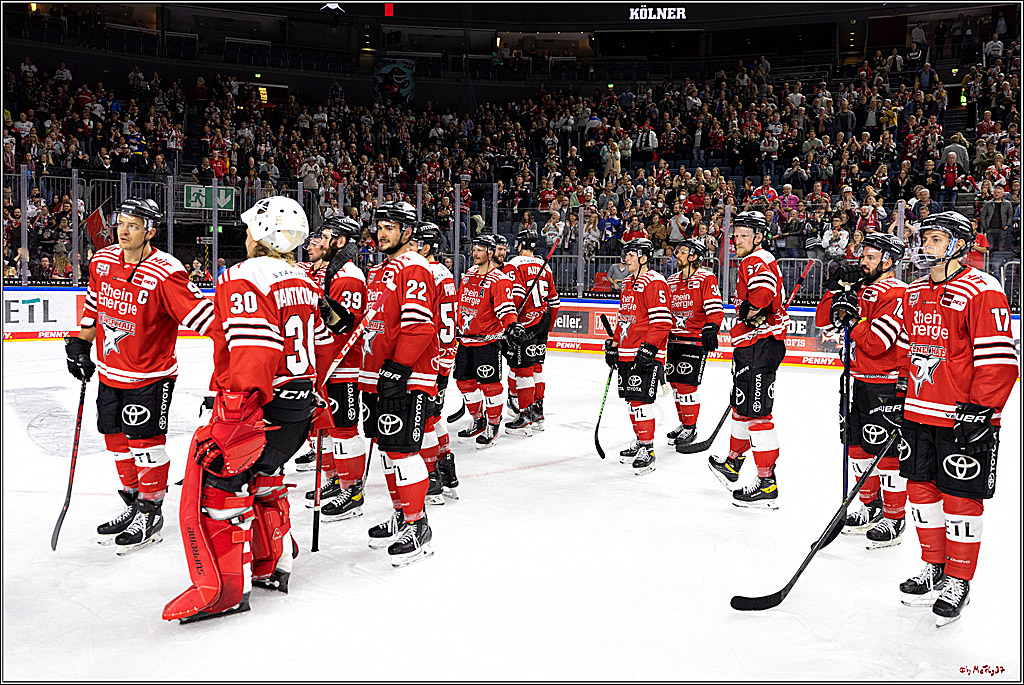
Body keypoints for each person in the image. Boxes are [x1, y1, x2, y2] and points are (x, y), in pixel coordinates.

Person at [163, 195, 329, 623]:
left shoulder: (244, 276)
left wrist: (238, 415)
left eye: (251, 227)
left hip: (259, 408)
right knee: (268, 482)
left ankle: (226, 590)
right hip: (297, 406)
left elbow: (256, 351)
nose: (247, 235)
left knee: (221, 493)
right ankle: (273, 563)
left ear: (263, 232)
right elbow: (321, 344)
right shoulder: (304, 279)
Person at [64, 198, 215, 555]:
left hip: (150, 375)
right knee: (116, 442)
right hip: (110, 373)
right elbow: (94, 305)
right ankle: (133, 503)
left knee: (145, 446)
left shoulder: (166, 272)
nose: (123, 230)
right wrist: (80, 344)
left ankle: (150, 512)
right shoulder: (102, 261)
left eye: (133, 225)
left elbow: (204, 319)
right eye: (121, 223)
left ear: (150, 231)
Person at [894, 211, 1016, 627]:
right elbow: (908, 349)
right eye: (923, 238)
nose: (924, 246)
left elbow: (999, 357)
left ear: (959, 244)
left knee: (961, 500)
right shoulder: (913, 292)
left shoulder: (983, 289)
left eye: (934, 239)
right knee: (920, 493)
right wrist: (900, 394)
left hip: (962, 416)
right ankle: (934, 566)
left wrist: (983, 408)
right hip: (918, 411)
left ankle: (959, 579)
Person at [359, 200, 441, 566]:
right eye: (379, 227)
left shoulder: (414, 267)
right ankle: (401, 513)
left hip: (406, 377)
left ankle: (418, 525)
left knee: (403, 453)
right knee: (388, 452)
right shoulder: (381, 270)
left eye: (389, 227)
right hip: (378, 375)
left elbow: (420, 325)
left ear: (407, 232)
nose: (381, 233)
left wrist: (398, 368)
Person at [815, 234, 909, 548]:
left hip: (887, 384)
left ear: (888, 261)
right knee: (855, 447)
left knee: (886, 455)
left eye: (870, 257)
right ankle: (870, 506)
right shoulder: (860, 289)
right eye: (863, 256)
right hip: (857, 379)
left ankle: (894, 518)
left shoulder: (897, 293)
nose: (862, 262)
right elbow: (823, 321)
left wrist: (852, 318)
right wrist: (835, 288)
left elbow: (876, 342)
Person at [708, 211, 788, 508]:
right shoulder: (756, 259)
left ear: (758, 237)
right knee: (743, 408)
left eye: (744, 235)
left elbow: (763, 293)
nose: (737, 240)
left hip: (760, 345)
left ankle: (767, 483)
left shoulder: (755, 259)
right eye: (736, 235)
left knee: (757, 414)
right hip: (752, 345)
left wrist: (749, 309)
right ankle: (733, 462)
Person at [311, 216, 369, 523]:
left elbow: (343, 327)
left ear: (341, 241)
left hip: (341, 366)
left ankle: (353, 491)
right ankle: (337, 479)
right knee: (327, 429)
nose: (320, 241)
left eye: (326, 236)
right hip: (324, 365)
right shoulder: (330, 271)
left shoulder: (349, 276)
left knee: (344, 430)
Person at [604, 237, 672, 475]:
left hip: (644, 352)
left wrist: (650, 347)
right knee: (632, 401)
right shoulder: (626, 283)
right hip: (627, 350)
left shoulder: (655, 281)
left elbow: (663, 321)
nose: (627, 258)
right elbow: (623, 317)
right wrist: (614, 345)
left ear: (644, 258)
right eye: (626, 254)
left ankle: (648, 450)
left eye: (632, 254)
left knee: (642, 402)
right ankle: (640, 440)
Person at [453, 234, 523, 448]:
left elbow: (506, 308)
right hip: (465, 340)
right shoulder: (468, 274)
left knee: (490, 386)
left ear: (490, 253)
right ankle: (479, 420)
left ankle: (493, 424)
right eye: (474, 249)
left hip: (487, 342)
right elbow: (461, 303)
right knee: (464, 383)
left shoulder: (499, 280)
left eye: (480, 250)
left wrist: (512, 325)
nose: (475, 253)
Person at [411, 221, 460, 504]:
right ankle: (446, 467)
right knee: (435, 415)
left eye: (415, 242)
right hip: (443, 356)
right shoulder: (444, 273)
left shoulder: (424, 273)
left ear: (427, 246)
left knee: (425, 419)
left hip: (428, 359)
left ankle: (431, 477)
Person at [664, 239, 724, 447]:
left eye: (682, 252)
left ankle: (691, 427)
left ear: (694, 256)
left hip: (694, 340)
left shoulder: (706, 277)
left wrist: (712, 327)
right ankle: (684, 423)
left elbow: (715, 308)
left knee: (686, 385)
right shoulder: (671, 281)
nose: (677, 255)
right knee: (674, 384)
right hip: (674, 339)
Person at [502, 229, 560, 436]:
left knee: (523, 370)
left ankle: (525, 416)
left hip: (524, 323)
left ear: (520, 244)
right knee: (536, 368)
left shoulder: (513, 264)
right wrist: (548, 328)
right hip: (542, 321)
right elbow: (554, 301)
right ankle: (537, 414)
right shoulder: (545, 266)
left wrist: (510, 324)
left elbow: (515, 297)